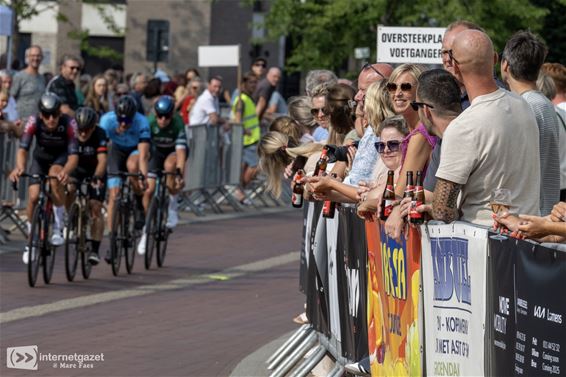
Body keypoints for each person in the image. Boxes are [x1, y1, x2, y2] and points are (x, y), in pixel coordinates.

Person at [432, 29, 540, 226]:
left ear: (454, 66)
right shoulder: (523, 105)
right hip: (526, 235)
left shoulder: (464, 126)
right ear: (496, 59)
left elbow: (442, 210)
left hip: (482, 240)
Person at [9, 93, 79, 263]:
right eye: (47, 115)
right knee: (33, 196)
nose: (51, 119)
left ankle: (57, 227)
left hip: (61, 158)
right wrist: (20, 167)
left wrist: (66, 172)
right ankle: (31, 240)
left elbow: (74, 157)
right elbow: (23, 149)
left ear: (59, 113)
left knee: (54, 176)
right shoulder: (34, 122)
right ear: (41, 114)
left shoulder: (69, 123)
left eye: (54, 114)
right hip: (40, 159)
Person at [501, 30, 560, 216]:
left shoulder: (524, 106)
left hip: (529, 216)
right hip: (542, 211)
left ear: (505, 66)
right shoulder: (545, 104)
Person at [99, 95, 150, 262]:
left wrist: (143, 177)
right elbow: (100, 150)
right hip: (117, 151)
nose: (123, 124)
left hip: (135, 150)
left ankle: (138, 202)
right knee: (114, 196)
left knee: (132, 166)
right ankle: (112, 242)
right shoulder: (107, 121)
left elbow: (143, 156)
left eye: (127, 121)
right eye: (121, 120)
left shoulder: (141, 122)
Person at [137, 95, 188, 255]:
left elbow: (181, 153)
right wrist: (143, 176)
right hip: (156, 152)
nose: (163, 120)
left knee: (170, 167)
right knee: (148, 190)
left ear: (172, 114)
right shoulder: (149, 122)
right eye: (160, 116)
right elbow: (144, 154)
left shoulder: (178, 122)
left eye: (167, 116)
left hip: (173, 152)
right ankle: (148, 226)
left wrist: (180, 174)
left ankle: (172, 206)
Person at [67, 107, 108, 265]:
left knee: (95, 207)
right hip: (76, 170)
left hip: (95, 170)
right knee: (69, 188)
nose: (83, 134)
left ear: (93, 126)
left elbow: (103, 160)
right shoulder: (70, 132)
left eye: (87, 129)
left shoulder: (99, 133)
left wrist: (97, 177)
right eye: (81, 130)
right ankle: (72, 215)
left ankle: (95, 250)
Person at [232, 72, 261, 201]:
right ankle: (239, 190)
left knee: (246, 168)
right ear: (244, 84)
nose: (254, 85)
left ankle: (240, 190)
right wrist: (244, 130)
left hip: (251, 140)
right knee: (254, 166)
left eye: (255, 82)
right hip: (246, 140)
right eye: (251, 82)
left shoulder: (248, 98)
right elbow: (237, 120)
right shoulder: (241, 100)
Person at [10, 45, 45, 121]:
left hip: (37, 122)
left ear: (42, 58)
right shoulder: (19, 76)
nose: (35, 58)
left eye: (38, 56)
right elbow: (11, 99)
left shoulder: (42, 78)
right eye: (33, 56)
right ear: (28, 57)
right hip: (21, 122)